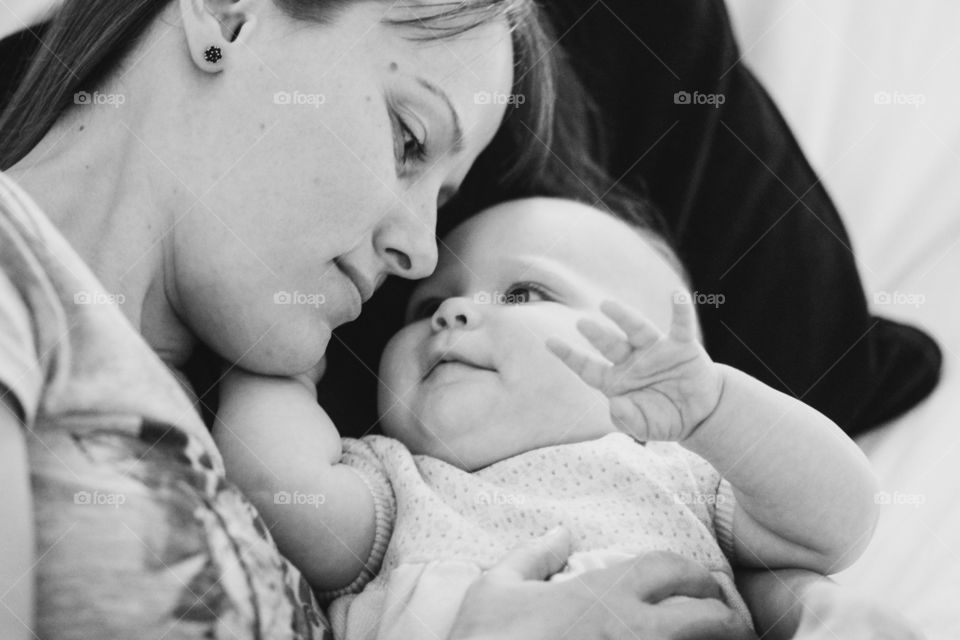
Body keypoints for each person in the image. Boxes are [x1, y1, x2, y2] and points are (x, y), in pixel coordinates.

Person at [0, 0, 780, 638]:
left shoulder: (257, 439)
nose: (419, 254)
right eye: (410, 140)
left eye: (441, 200)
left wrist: (791, 605)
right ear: (227, 14)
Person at [214, 197, 892, 639]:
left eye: (522, 292)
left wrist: (714, 409)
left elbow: (834, 524)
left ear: (649, 352)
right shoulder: (396, 480)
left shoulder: (678, 471)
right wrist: (280, 355)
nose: (453, 313)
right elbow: (281, 495)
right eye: (425, 307)